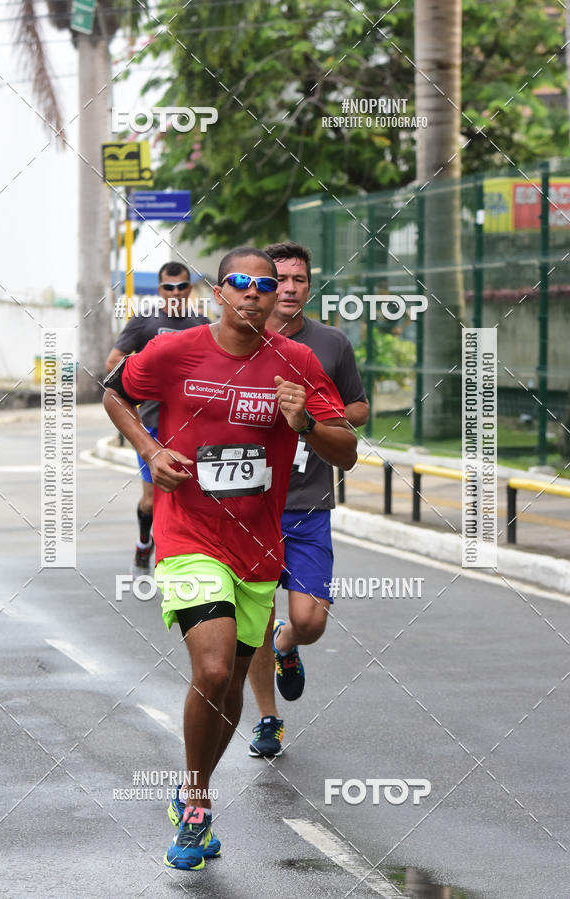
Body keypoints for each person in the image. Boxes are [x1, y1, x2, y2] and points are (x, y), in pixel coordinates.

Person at [103, 247, 357, 871]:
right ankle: (195, 801)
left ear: (276, 297)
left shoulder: (296, 362)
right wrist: (151, 448)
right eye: (240, 284)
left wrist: (305, 424)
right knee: (213, 670)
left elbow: (346, 450)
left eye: (265, 286)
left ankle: (196, 788)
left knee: (233, 685)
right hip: (189, 535)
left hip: (258, 546)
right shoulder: (175, 350)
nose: (253, 294)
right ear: (219, 292)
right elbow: (115, 392)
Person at [247, 241, 369, 759]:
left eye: (300, 279)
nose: (290, 288)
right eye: (281, 279)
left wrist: (317, 413)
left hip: (309, 502)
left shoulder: (331, 344)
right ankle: (268, 720)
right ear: (263, 286)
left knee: (310, 621)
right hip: (250, 505)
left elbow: (358, 408)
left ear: (309, 284)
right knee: (252, 618)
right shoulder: (242, 341)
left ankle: (287, 647)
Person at [105, 262, 209, 573]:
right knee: (152, 499)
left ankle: (181, 556)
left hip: (193, 425)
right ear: (160, 290)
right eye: (169, 287)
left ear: (189, 289)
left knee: (192, 493)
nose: (175, 293)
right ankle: (143, 541)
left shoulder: (203, 323)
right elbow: (113, 363)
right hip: (151, 424)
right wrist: (150, 369)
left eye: (181, 287)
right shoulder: (145, 322)